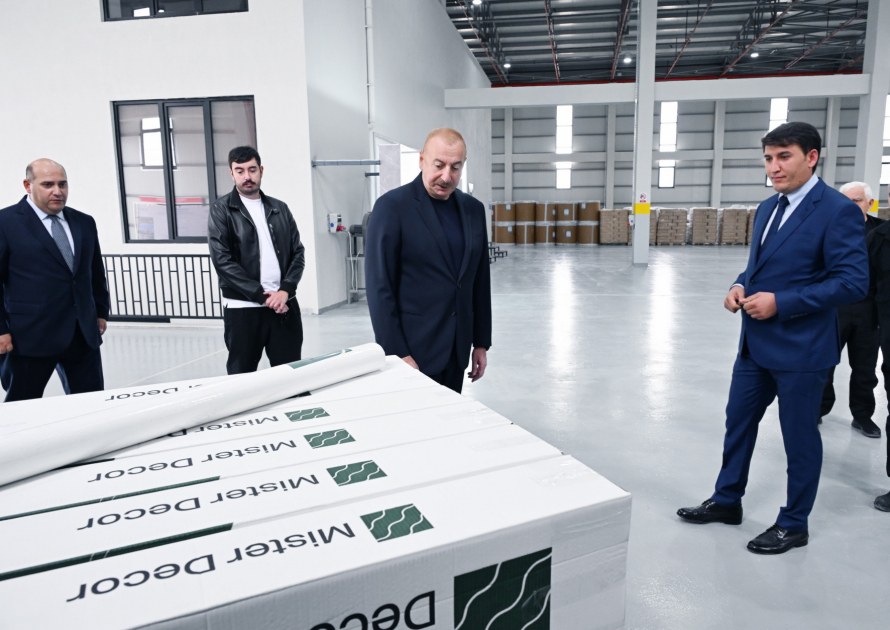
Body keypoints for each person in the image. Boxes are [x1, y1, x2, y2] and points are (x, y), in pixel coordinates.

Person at [676, 122, 868, 554]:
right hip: (754, 346)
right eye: (768, 158)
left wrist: (782, 302)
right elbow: (759, 266)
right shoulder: (767, 208)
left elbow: (852, 282)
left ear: (812, 157)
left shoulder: (836, 210)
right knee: (738, 424)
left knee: (798, 438)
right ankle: (727, 500)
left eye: (784, 157)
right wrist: (738, 284)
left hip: (802, 349)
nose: (774, 167)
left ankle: (794, 523)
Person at [365, 128, 492, 393]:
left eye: (455, 167)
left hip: (456, 350)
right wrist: (397, 352)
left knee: (449, 416)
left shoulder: (473, 210)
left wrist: (481, 342)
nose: (446, 176)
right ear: (422, 159)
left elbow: (479, 280)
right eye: (439, 165)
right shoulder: (392, 208)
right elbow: (379, 288)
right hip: (413, 352)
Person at [0, 158, 110, 402]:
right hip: (29, 337)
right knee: (22, 406)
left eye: (63, 184)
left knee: (90, 404)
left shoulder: (84, 222)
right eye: (48, 184)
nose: (58, 191)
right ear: (28, 185)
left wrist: (101, 311)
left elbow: (94, 271)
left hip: (82, 334)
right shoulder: (5, 223)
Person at [208, 146, 305, 374]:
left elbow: (298, 253)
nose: (247, 177)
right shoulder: (221, 210)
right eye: (240, 171)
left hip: (284, 305)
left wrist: (285, 290)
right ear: (231, 174)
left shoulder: (280, 208)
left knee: (290, 374)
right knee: (242, 376)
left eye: (252, 170)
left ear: (261, 170)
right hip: (243, 309)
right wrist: (262, 296)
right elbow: (222, 261)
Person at [819, 181, 882, 438]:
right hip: (835, 306)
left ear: (870, 203)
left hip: (869, 309)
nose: (851, 205)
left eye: (857, 200)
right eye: (845, 201)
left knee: (865, 366)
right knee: (824, 362)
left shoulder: (882, 232)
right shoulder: (827, 229)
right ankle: (818, 408)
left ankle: (863, 415)